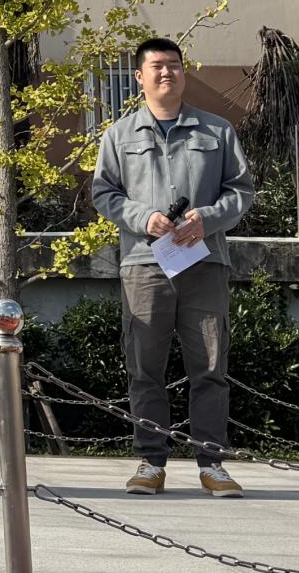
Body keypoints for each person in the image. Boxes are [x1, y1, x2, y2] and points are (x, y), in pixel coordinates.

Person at [91, 36, 254, 500]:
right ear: (139, 77)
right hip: (144, 263)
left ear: (185, 73)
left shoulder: (217, 130)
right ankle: (151, 461)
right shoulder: (119, 135)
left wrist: (208, 219)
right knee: (145, 366)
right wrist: (143, 218)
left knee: (210, 366)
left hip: (205, 261)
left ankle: (212, 464)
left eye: (175, 65)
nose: (167, 73)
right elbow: (104, 193)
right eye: (157, 66)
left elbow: (241, 191)